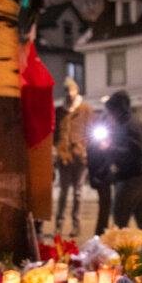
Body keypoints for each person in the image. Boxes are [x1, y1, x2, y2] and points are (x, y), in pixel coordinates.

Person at [104, 91, 142, 229]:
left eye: (111, 110)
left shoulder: (129, 124)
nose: (110, 115)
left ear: (118, 109)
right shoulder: (133, 122)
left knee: (119, 218)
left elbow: (135, 151)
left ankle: (121, 249)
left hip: (134, 176)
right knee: (141, 216)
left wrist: (109, 147)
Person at [54, 78, 92, 238]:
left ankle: (76, 226)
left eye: (72, 91)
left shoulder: (85, 109)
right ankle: (58, 225)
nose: (70, 94)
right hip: (64, 158)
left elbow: (91, 131)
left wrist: (85, 149)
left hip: (80, 158)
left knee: (77, 192)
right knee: (63, 192)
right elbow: (55, 134)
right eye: (67, 91)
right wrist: (59, 150)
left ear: (76, 91)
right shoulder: (60, 111)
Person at [87, 109, 113, 235]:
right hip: (101, 176)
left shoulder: (110, 133)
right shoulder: (94, 137)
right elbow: (91, 159)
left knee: (109, 205)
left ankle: (105, 231)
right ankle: (101, 232)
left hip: (111, 174)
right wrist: (93, 177)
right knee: (105, 205)